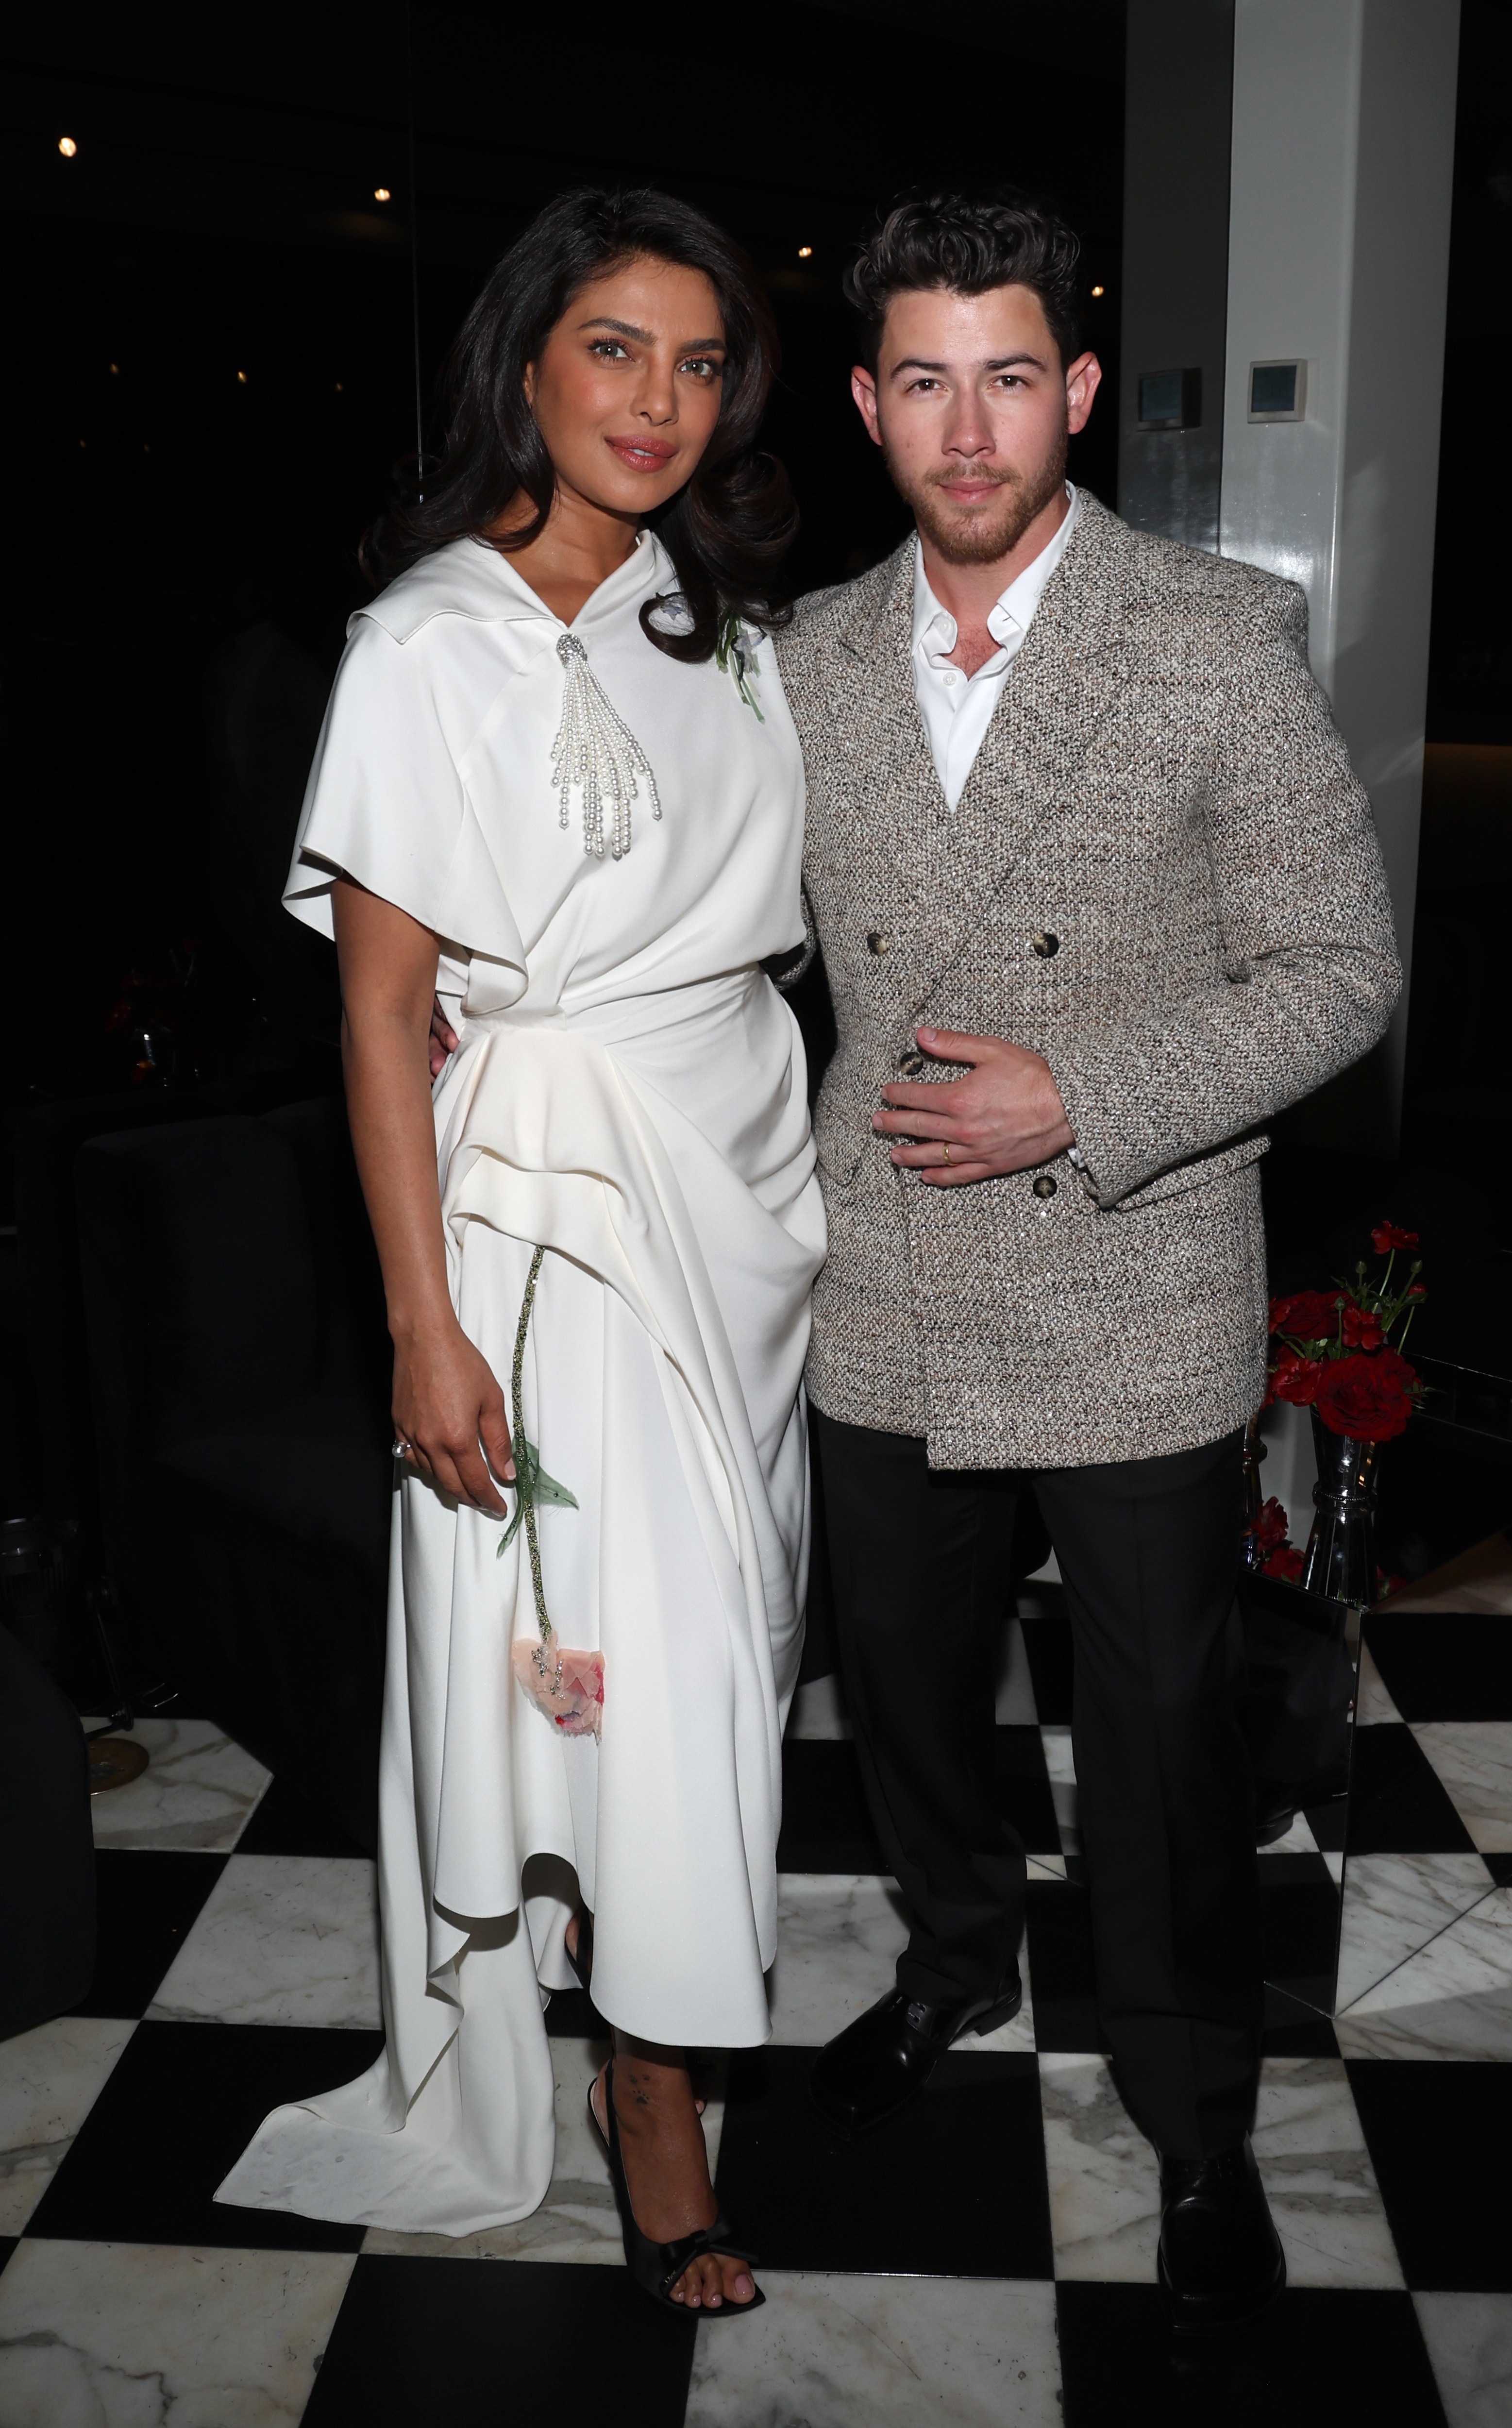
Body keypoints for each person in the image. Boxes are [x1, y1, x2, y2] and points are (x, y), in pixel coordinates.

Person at [773, 191, 1401, 2336]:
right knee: (916, 1706)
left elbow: (1342, 970)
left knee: (1158, 1739)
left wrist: (1090, 1096)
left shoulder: (1210, 631)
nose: (972, 429)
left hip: (1130, 1283)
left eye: (1012, 375)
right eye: (926, 380)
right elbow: (732, 944)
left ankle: (1192, 2093)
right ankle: (955, 1965)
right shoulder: (808, 658)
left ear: (1081, 392)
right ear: (869, 405)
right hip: (889, 1288)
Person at [216, 186, 825, 2319]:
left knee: (724, 1650)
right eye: (614, 349)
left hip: (737, 1201)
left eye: (700, 357)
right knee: (599, 1654)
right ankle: (646, 2088)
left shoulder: (723, 619)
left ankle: (653, 1977)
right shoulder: (430, 640)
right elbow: (381, 1008)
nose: (660, 399)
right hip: (537, 1226)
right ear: (528, 364)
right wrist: (422, 1324)